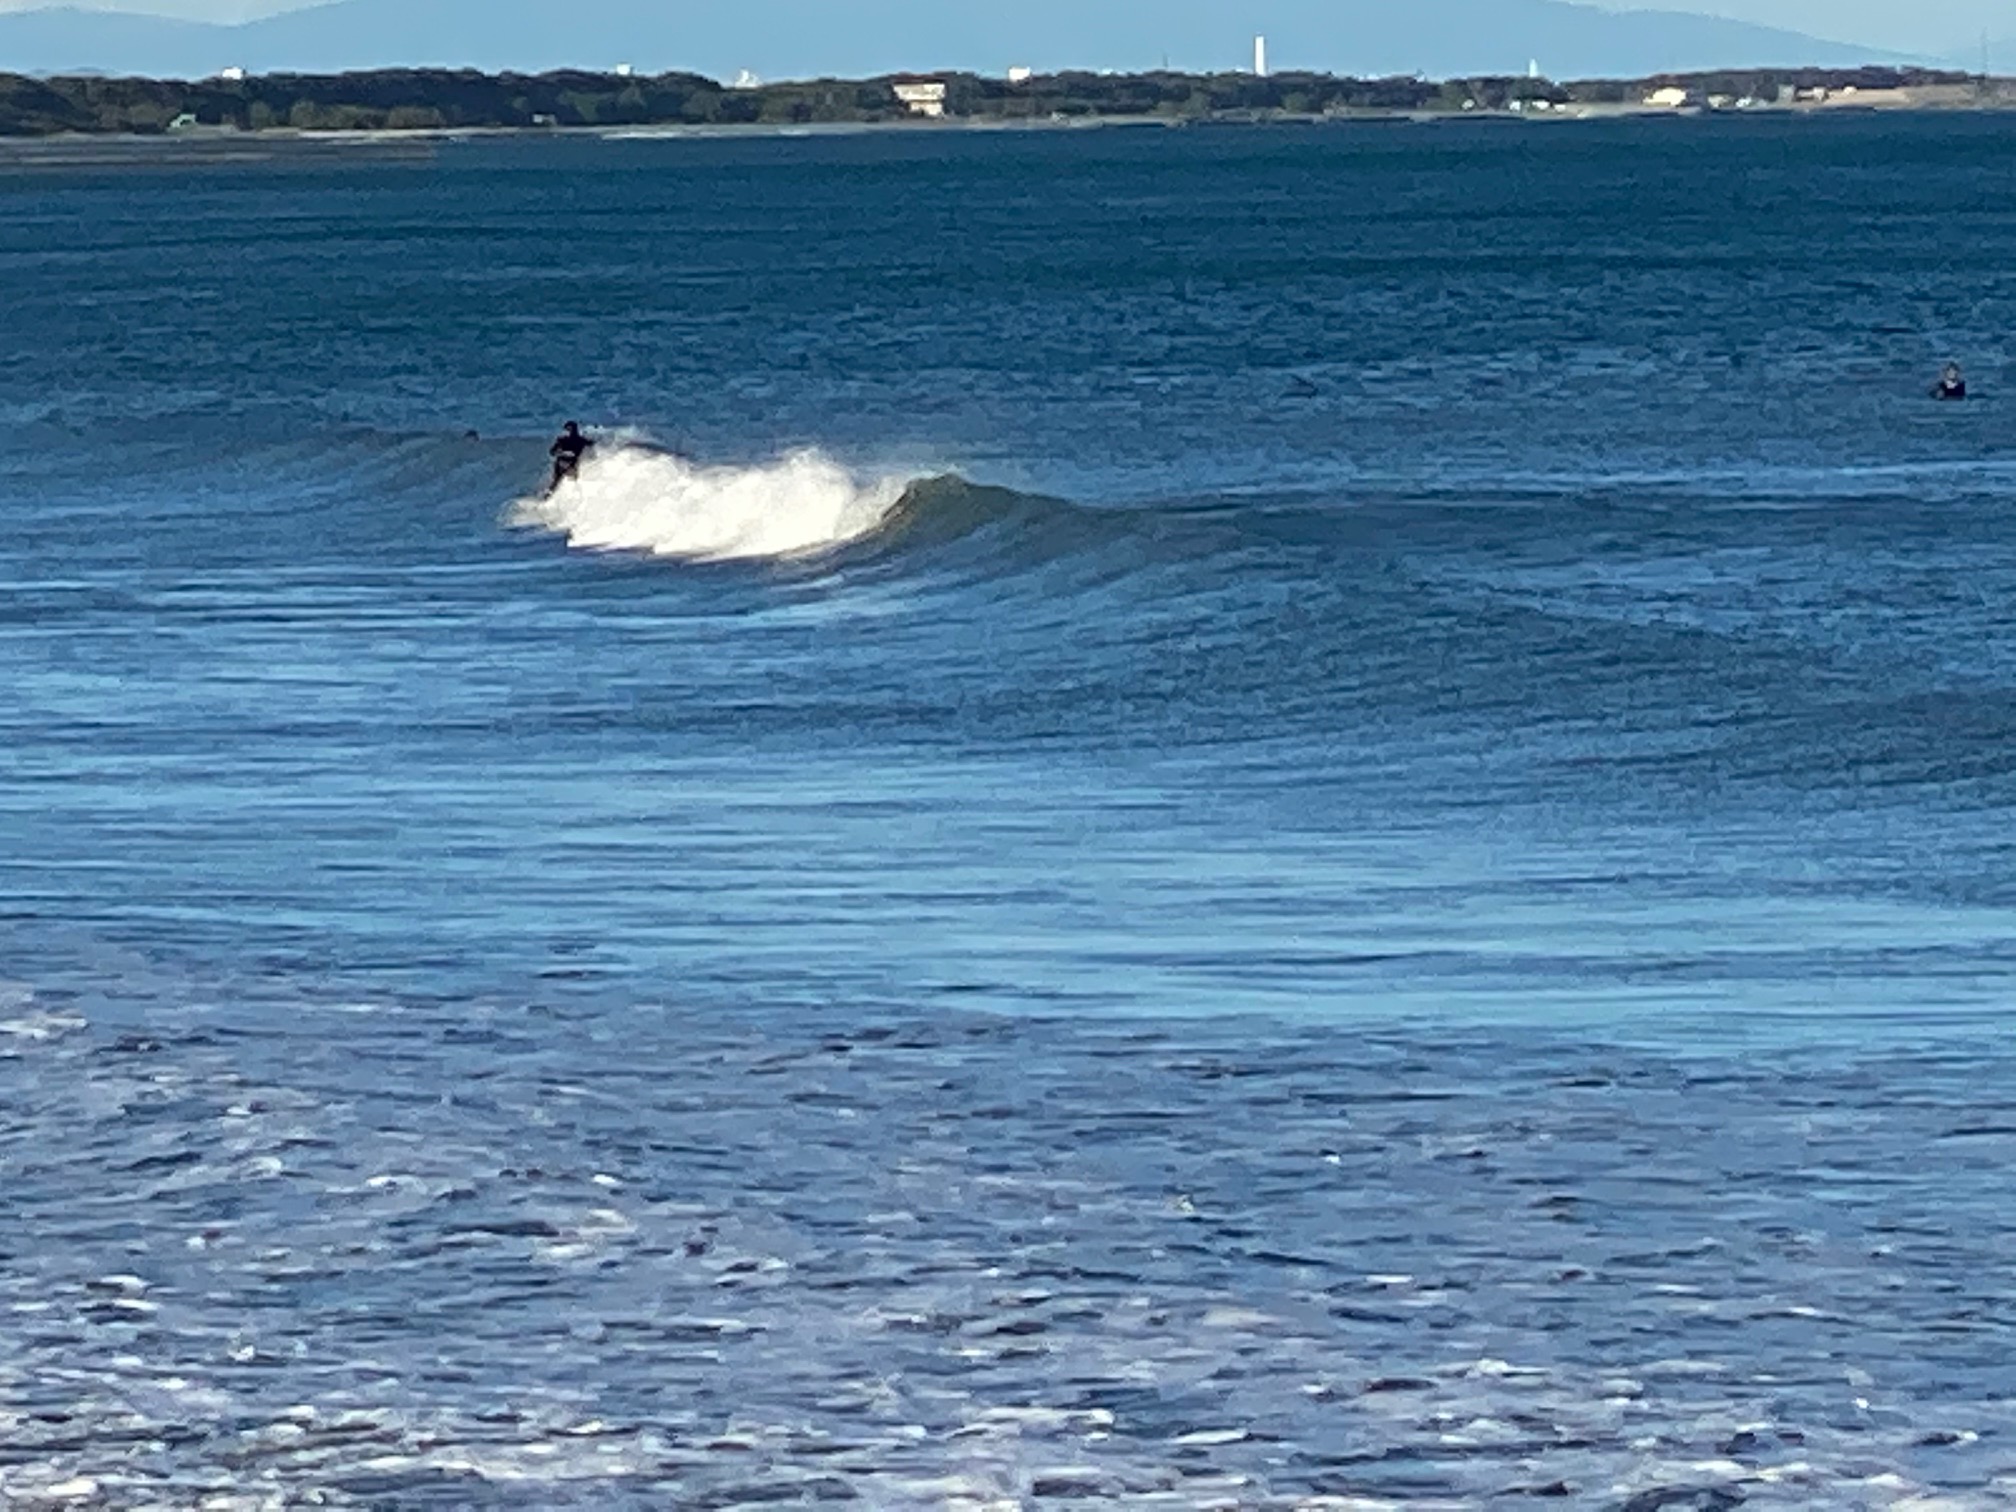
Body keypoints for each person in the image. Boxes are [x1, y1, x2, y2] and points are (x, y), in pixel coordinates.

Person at [548, 421, 594, 491]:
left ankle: (548, 497)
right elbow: (592, 443)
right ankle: (572, 498)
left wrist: (560, 452)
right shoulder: (581, 440)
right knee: (573, 481)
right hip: (572, 464)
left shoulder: (562, 440)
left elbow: (552, 452)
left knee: (556, 481)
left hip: (562, 462)